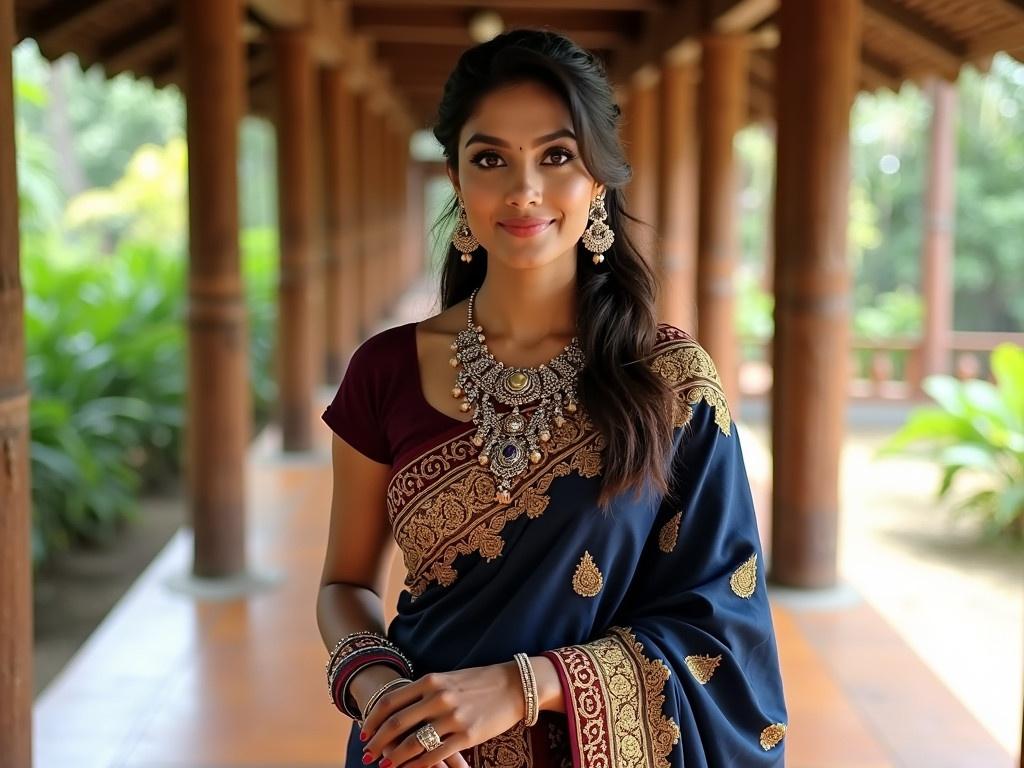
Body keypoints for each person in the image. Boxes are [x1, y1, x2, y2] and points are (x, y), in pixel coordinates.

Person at [316, 28, 788, 768]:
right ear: (456, 178)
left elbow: (721, 626)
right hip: (415, 752)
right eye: (490, 158)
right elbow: (344, 584)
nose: (524, 189)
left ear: (597, 180)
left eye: (557, 156)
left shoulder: (669, 380)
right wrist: (379, 693)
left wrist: (522, 685)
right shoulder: (384, 370)